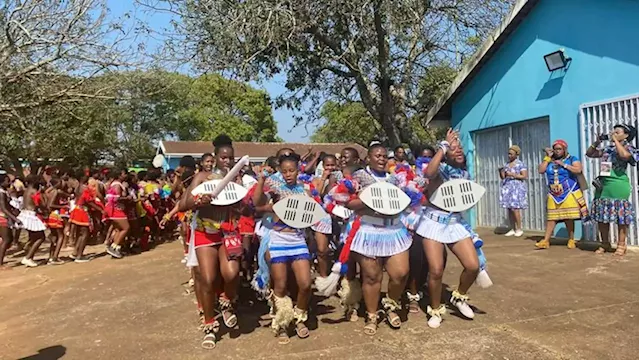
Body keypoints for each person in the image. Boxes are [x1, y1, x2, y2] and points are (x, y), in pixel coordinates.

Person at [180, 135, 242, 349]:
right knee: (207, 279)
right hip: (205, 233)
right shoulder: (202, 177)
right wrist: (200, 200)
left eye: (230, 158)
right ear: (215, 157)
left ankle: (226, 301)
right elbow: (183, 203)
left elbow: (242, 207)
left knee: (232, 274)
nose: (227, 161)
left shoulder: (236, 179)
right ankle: (209, 324)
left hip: (228, 234)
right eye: (223, 157)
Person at [417, 129, 480, 329]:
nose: (459, 151)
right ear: (445, 152)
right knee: (436, 270)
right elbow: (428, 172)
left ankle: (459, 297)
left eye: (460, 148)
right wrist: (443, 146)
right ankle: (435, 309)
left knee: (472, 266)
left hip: (455, 223)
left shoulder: (464, 173)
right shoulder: (440, 170)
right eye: (453, 149)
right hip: (433, 223)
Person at [252, 153, 315, 344]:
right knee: (280, 285)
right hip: (278, 240)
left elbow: (311, 215)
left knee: (305, 284)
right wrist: (262, 181)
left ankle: (299, 317)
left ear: (298, 170)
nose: (288, 174)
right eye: (284, 171)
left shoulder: (305, 190)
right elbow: (257, 204)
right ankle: (281, 323)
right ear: (280, 171)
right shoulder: (275, 189)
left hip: (297, 239)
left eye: (292, 170)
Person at [586, 124, 640, 257]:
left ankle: (621, 245)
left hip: (618, 184)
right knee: (602, 216)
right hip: (603, 183)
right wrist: (597, 141)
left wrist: (615, 141)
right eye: (613, 131)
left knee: (620, 215)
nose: (613, 133)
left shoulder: (630, 148)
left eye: (617, 132)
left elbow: (624, 156)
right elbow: (590, 154)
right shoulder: (607, 149)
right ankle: (605, 243)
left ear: (626, 135)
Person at [535, 140, 589, 249]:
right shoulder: (550, 160)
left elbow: (578, 169)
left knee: (568, 216)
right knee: (551, 217)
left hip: (569, 191)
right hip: (554, 193)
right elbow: (541, 170)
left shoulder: (571, 159)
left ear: (564, 149)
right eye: (555, 149)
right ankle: (545, 240)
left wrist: (563, 165)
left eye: (559, 149)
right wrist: (547, 158)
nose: (557, 151)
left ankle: (571, 239)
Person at [17, 175, 49, 267]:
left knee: (34, 236)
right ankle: (28, 257)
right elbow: (39, 204)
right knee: (41, 237)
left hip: (25, 214)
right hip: (31, 215)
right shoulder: (34, 192)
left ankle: (29, 253)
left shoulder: (26, 190)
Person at [499, 145, 528, 237]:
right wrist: (501, 172)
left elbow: (524, 176)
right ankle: (512, 228)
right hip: (508, 187)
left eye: (511, 154)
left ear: (516, 154)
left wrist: (513, 174)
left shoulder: (520, 164)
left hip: (517, 187)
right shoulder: (507, 164)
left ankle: (519, 228)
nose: (509, 156)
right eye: (508, 154)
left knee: (515, 208)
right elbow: (503, 177)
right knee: (509, 208)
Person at [0, 174, 22, 268]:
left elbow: (7, 205)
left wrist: (15, 210)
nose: (9, 183)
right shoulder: (1, 193)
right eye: (7, 181)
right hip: (2, 217)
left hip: (5, 216)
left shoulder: (4, 192)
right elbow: (4, 208)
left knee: (8, 239)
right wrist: (15, 218)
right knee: (7, 239)